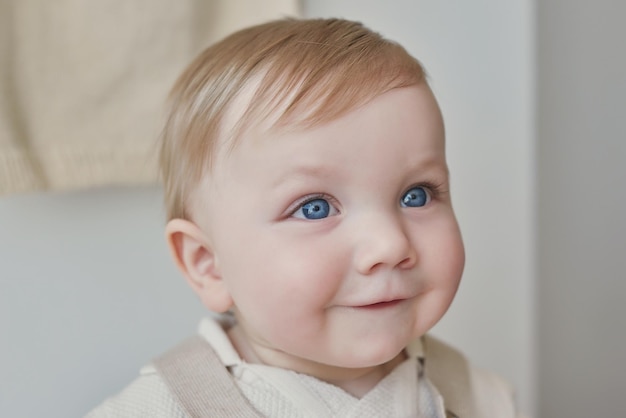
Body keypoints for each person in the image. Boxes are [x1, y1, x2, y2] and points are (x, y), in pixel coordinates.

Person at [88, 18, 522, 417]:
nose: (390, 244)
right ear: (208, 263)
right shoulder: (159, 409)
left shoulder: (479, 398)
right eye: (314, 207)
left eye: (416, 195)